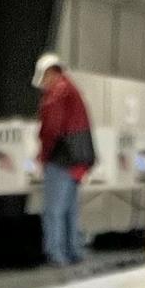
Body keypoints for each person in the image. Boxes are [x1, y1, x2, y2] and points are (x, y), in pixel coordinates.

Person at [32, 53, 95, 269]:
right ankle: (74, 250)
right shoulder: (73, 90)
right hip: (79, 158)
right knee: (70, 208)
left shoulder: (56, 94)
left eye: (44, 78)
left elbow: (51, 129)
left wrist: (42, 156)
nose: (43, 84)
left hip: (60, 158)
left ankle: (56, 254)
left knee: (53, 211)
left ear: (50, 73)